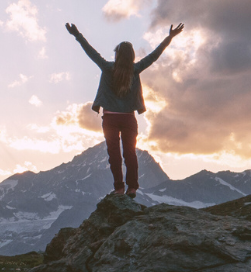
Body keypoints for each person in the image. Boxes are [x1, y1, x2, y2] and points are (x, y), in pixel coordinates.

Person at [65, 22, 184, 197]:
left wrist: (77, 34)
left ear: (117, 55)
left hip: (110, 119)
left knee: (114, 154)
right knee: (130, 153)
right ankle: (133, 187)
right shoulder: (135, 70)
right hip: (129, 118)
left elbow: (90, 51)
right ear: (132, 56)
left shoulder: (107, 67)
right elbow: (154, 55)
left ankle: (119, 188)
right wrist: (169, 37)